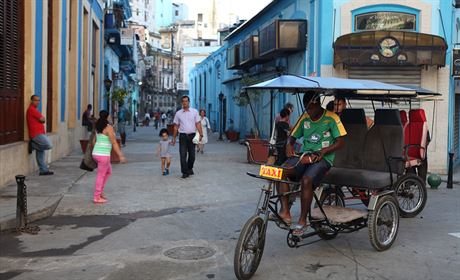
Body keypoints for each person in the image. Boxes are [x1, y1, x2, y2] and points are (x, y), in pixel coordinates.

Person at [278, 92, 346, 236]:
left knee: (307, 180)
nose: (308, 111)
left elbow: (341, 142)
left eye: (310, 108)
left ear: (317, 104)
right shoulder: (305, 118)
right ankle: (285, 212)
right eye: (306, 108)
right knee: (282, 171)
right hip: (305, 156)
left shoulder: (332, 118)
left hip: (324, 158)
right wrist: (289, 145)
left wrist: (323, 151)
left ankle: (302, 221)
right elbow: (293, 137)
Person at [92, 110, 127, 204]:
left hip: (96, 152)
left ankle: (100, 192)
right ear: (108, 117)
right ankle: (96, 197)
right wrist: (120, 156)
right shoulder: (108, 128)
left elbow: (94, 141)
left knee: (108, 171)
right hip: (103, 155)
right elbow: (114, 142)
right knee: (101, 175)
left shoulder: (98, 126)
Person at [171, 95, 203, 179]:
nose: (185, 102)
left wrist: (201, 135)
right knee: (182, 154)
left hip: (192, 136)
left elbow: (198, 124)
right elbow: (175, 126)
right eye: (183, 101)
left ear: (189, 102)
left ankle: (189, 168)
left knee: (192, 155)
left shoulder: (194, 112)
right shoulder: (178, 113)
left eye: (186, 101)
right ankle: (184, 172)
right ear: (182, 103)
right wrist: (174, 138)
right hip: (182, 136)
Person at [27, 95, 54, 175]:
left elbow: (42, 119)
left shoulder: (34, 110)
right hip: (36, 134)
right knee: (49, 145)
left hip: (40, 133)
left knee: (40, 154)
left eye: (38, 100)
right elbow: (43, 119)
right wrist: (42, 120)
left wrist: (42, 120)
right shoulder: (32, 109)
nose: (37, 102)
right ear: (31, 101)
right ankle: (33, 145)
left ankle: (43, 170)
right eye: (35, 100)